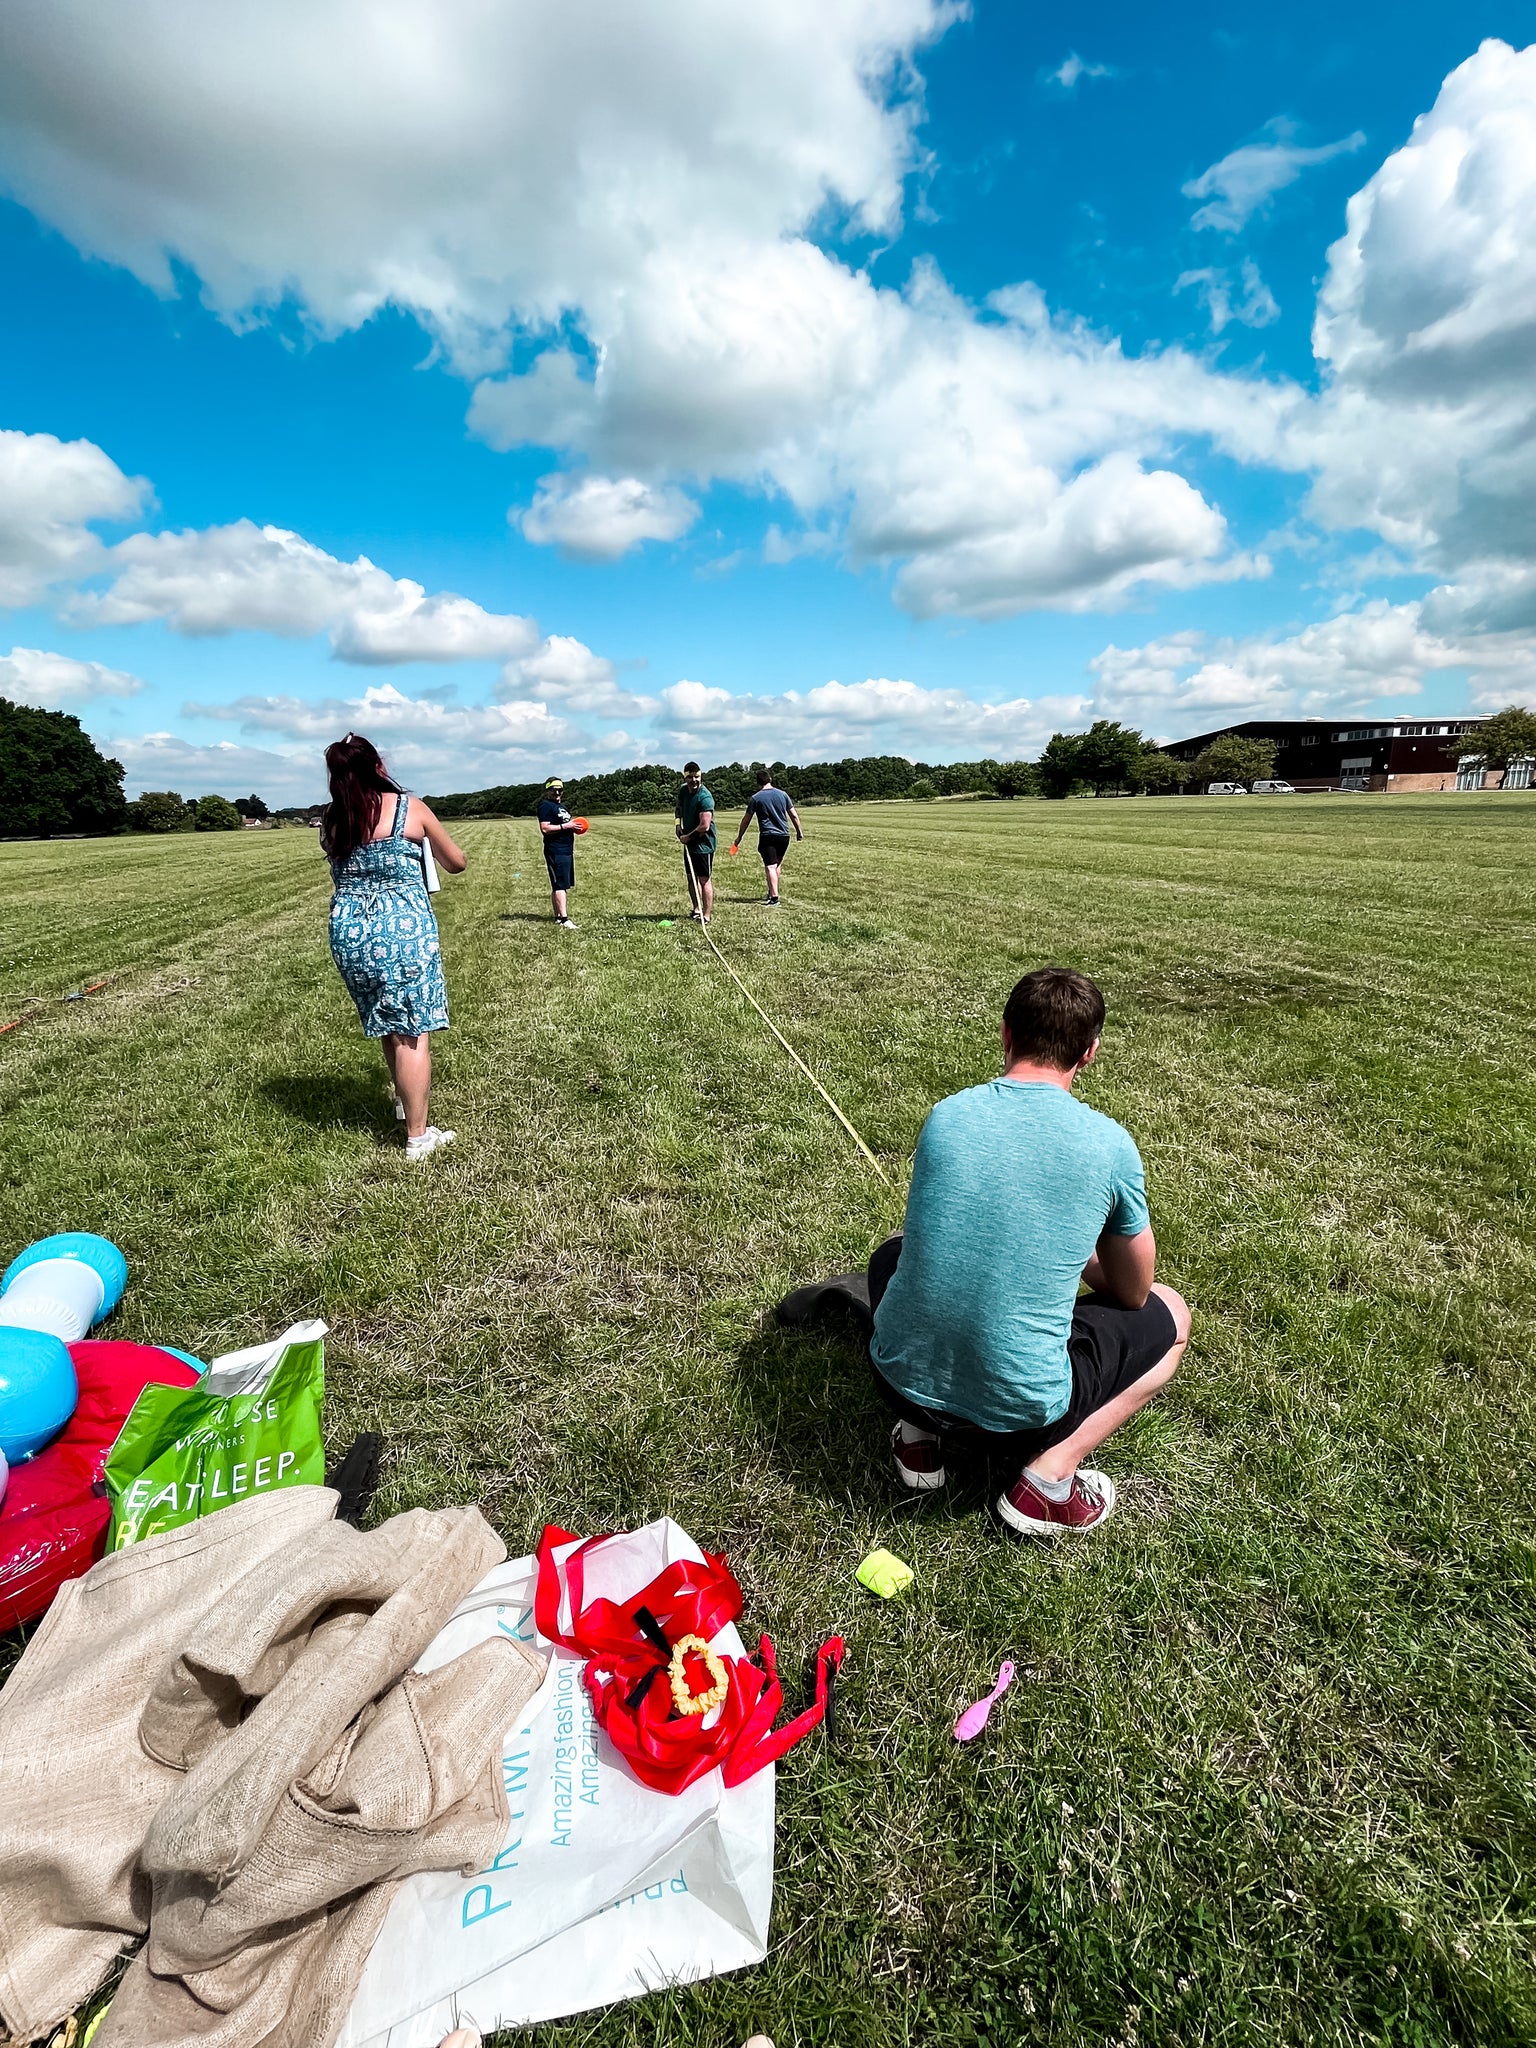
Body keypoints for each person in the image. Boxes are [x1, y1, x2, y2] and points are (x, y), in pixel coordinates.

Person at [869, 966, 1189, 1535]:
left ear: (1006, 1032)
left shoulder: (947, 1113)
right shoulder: (1110, 1146)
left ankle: (920, 1443)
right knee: (1173, 1312)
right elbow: (1136, 1290)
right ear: (1088, 1053)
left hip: (897, 1384)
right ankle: (1049, 1481)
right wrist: (1078, 1256)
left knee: (892, 1256)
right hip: (1019, 1420)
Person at [321, 733, 466, 1162]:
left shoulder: (332, 818)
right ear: (377, 765)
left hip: (349, 932)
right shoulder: (409, 808)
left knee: (387, 1024)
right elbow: (456, 862)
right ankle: (418, 1138)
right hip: (400, 931)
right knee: (412, 1033)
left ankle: (406, 1107)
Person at [731, 767, 803, 905]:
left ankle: (774, 898)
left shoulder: (756, 798)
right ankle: (771, 892)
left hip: (768, 835)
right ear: (770, 779)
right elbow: (793, 815)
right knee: (776, 864)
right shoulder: (783, 794)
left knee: (770, 866)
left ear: (758, 783)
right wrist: (799, 832)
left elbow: (746, 820)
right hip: (784, 835)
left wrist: (739, 837)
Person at [674, 761, 716, 922]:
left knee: (704, 880)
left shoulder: (705, 797)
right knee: (691, 877)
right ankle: (696, 909)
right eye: (690, 777)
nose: (694, 780)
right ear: (685, 778)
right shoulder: (684, 791)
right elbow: (679, 807)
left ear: (701, 775)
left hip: (703, 844)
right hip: (689, 842)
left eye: (697, 776)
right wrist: (678, 824)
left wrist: (686, 837)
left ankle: (706, 915)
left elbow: (704, 826)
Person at [538, 776, 578, 929]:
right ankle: (564, 919)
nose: (557, 792)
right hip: (556, 850)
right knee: (560, 884)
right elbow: (545, 828)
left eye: (560, 789)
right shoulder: (546, 806)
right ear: (548, 790)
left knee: (561, 884)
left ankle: (557, 916)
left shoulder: (562, 806)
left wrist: (574, 827)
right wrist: (566, 827)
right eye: (554, 790)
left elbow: (567, 824)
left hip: (567, 849)